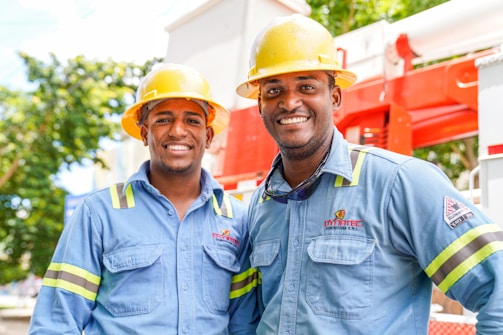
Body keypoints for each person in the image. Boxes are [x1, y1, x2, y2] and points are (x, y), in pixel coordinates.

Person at [236, 14, 503, 334]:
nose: (290, 102)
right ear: (260, 106)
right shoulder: (261, 205)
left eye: (306, 86)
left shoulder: (400, 183)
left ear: (334, 97)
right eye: (274, 90)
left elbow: (497, 289)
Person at [29, 63, 259, 334]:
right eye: (163, 119)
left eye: (192, 120)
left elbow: (244, 324)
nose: (177, 131)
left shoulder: (238, 219)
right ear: (143, 132)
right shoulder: (100, 213)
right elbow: (56, 323)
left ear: (207, 136)